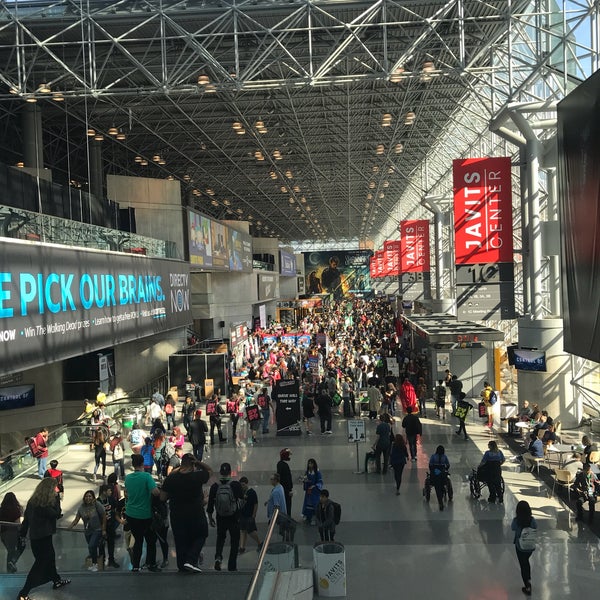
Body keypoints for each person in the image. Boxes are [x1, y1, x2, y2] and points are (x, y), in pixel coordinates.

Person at [17, 478, 70, 600]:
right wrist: (57, 498)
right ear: (50, 490)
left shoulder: (32, 502)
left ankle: (56, 580)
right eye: (54, 488)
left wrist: (22, 534)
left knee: (50, 560)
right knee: (40, 566)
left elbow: (26, 521)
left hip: (37, 539)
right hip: (43, 539)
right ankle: (23, 593)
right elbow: (57, 514)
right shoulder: (44, 505)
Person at [161, 453, 212, 573]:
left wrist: (178, 469)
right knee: (201, 535)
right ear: (193, 464)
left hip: (177, 516)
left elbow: (162, 498)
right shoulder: (197, 476)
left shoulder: (171, 478)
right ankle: (191, 560)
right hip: (196, 513)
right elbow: (209, 470)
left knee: (180, 540)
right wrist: (198, 462)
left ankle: (182, 566)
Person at [124, 453, 161, 572]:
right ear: (142, 464)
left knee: (138, 540)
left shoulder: (128, 478)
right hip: (145, 515)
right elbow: (156, 493)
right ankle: (152, 564)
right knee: (150, 541)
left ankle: (135, 566)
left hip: (131, 514)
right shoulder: (146, 477)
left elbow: (127, 493)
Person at [207, 462, 244, 572]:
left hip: (220, 517)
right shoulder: (235, 485)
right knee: (234, 541)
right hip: (233, 518)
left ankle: (218, 557)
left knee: (221, 538)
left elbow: (210, 505)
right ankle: (232, 565)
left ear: (221, 472)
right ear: (230, 472)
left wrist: (210, 518)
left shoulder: (215, 486)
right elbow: (242, 502)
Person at [68, 490, 106, 572]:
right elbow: (77, 519)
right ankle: (94, 563)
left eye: (90, 496)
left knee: (91, 546)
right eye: (86, 496)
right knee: (92, 548)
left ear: (93, 497)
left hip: (97, 529)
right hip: (88, 531)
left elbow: (103, 515)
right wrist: (71, 526)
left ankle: (95, 564)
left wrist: (103, 529)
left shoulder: (97, 505)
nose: (88, 498)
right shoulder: (81, 507)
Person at [511, 500, 537, 596]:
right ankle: (529, 577)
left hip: (520, 546)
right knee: (526, 561)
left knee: (523, 564)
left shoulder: (516, 521)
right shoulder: (532, 520)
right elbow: (535, 527)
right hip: (530, 546)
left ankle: (527, 585)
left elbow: (512, 528)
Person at [97, 484, 121, 568]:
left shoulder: (111, 499)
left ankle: (111, 559)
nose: (111, 492)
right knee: (101, 544)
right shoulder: (97, 502)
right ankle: (102, 560)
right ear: (104, 492)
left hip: (110, 525)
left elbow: (116, 507)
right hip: (101, 526)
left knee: (111, 543)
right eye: (109, 491)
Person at [238, 476, 262, 554]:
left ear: (247, 484)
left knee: (251, 531)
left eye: (243, 485)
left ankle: (259, 543)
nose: (242, 486)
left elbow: (256, 504)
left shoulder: (251, 492)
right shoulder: (241, 493)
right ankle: (242, 547)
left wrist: (254, 514)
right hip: (242, 515)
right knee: (242, 531)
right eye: (241, 485)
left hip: (249, 515)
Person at [0, 491, 23, 573]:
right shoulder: (16, 510)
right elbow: (17, 523)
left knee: (10, 550)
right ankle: (12, 563)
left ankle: (10, 566)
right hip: (12, 533)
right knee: (17, 548)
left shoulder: (1, 509)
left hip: (3, 533)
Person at [429, 445, 451, 511]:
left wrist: (433, 471)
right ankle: (443, 491)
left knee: (437, 487)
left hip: (435, 473)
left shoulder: (433, 456)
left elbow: (430, 465)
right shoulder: (444, 457)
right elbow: (448, 465)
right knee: (442, 485)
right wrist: (445, 469)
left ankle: (440, 502)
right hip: (442, 472)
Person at [301, 458, 323, 524]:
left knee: (315, 504)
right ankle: (308, 517)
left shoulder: (317, 472)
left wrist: (315, 486)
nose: (310, 465)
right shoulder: (307, 472)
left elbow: (320, 482)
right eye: (309, 463)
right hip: (309, 491)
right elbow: (305, 480)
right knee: (308, 503)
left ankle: (315, 518)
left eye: (311, 463)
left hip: (315, 492)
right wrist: (305, 481)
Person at [277, 448, 294, 515]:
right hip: (286, 490)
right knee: (287, 506)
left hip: (283, 489)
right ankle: (287, 521)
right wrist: (289, 489)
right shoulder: (284, 465)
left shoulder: (280, 464)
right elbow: (286, 479)